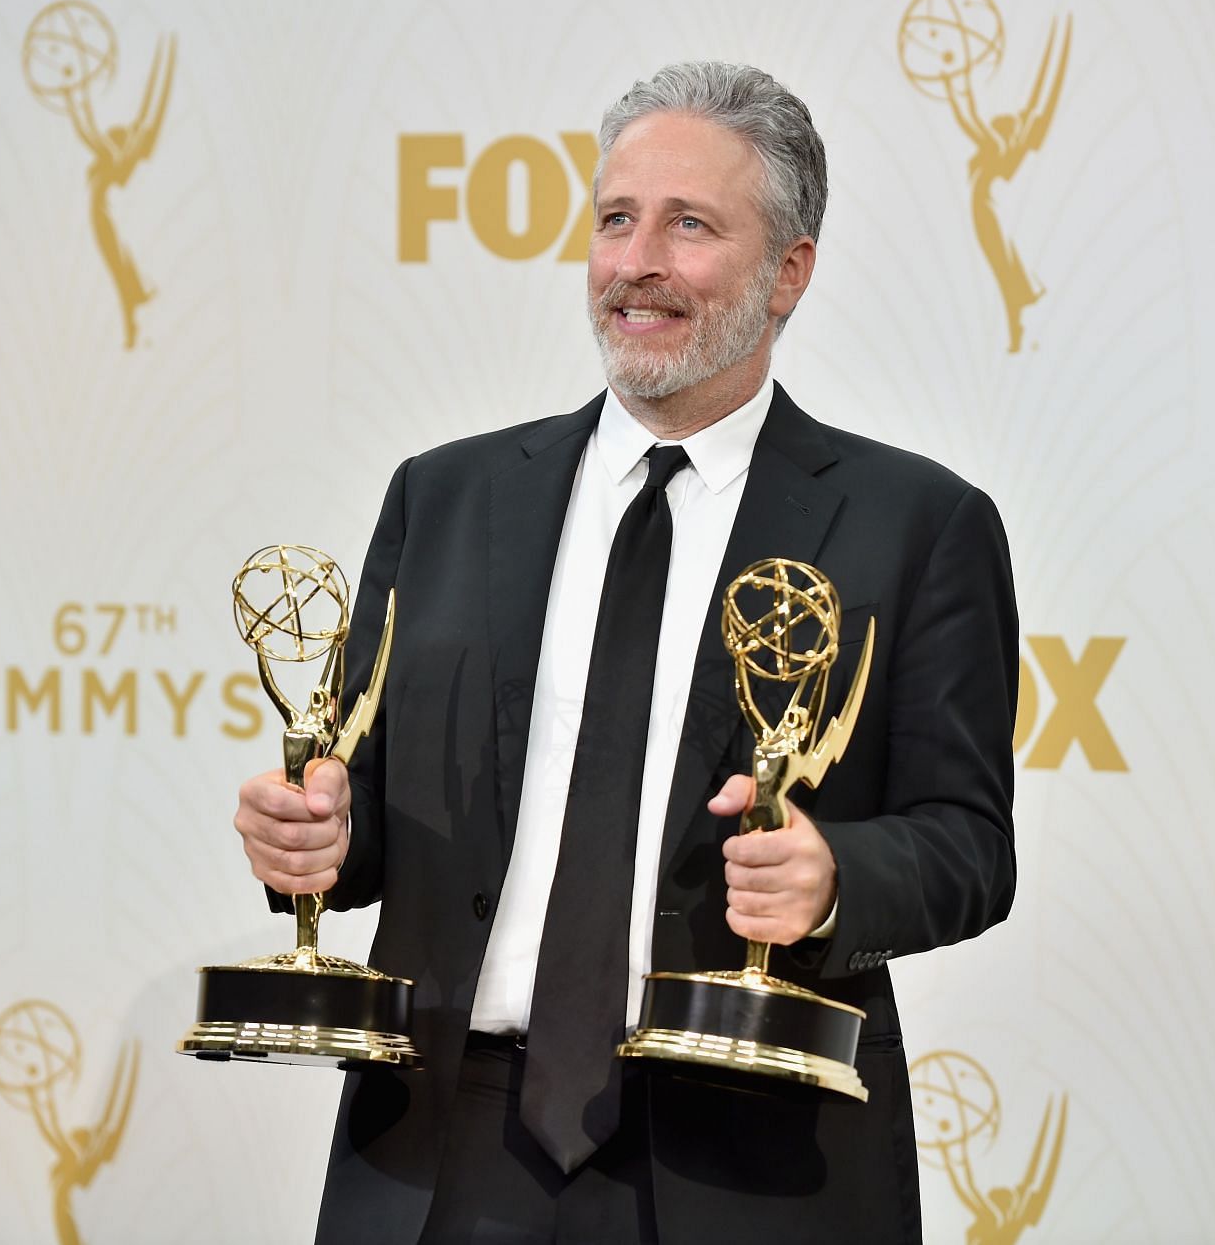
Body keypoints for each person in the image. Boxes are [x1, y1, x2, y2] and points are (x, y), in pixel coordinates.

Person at [233, 61, 1019, 1245]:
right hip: (446, 1149)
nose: (635, 262)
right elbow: (368, 809)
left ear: (789, 270)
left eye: (689, 224)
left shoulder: (916, 524)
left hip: (758, 1157)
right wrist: (316, 838)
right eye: (615, 219)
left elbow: (969, 840)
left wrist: (834, 874)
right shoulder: (443, 498)